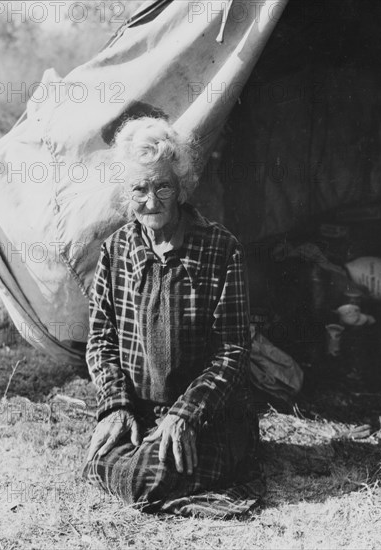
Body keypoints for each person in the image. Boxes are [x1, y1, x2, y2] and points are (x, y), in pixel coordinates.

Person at [82, 117, 264, 517]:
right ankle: (137, 450)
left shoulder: (221, 249)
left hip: (209, 415)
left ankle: (158, 462)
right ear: (125, 193)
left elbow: (232, 351)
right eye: (139, 188)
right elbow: (101, 341)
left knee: (145, 480)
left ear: (181, 185)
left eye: (162, 185)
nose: (151, 200)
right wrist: (115, 406)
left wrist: (186, 414)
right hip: (139, 411)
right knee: (101, 455)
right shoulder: (116, 250)